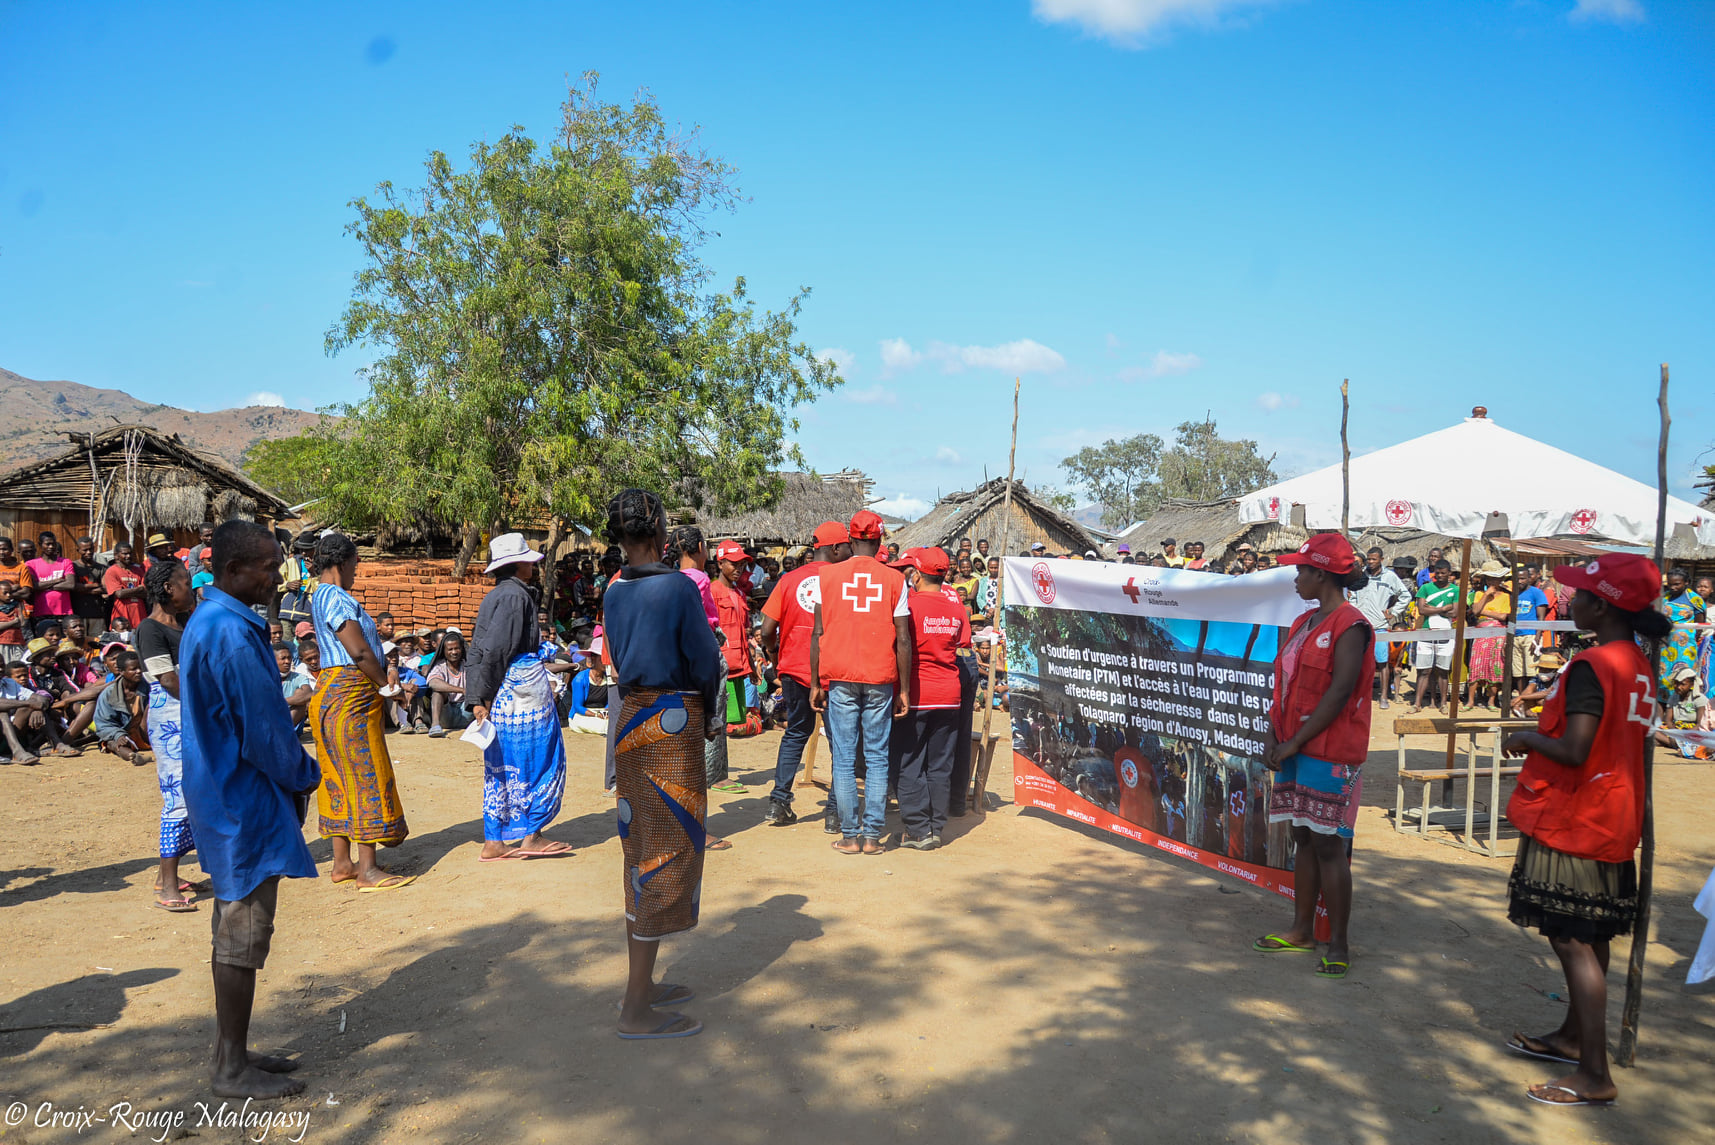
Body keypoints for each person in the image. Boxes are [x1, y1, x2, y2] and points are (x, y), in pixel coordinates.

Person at [1497, 554, 1667, 1107]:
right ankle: (1575, 1037)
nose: (1572, 602)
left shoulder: (1595, 664)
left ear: (1604, 604)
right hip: (1613, 812)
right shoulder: (1639, 662)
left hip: (1577, 815)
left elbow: (1574, 748)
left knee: (1573, 940)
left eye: (1583, 596)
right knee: (1591, 936)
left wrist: (1525, 737)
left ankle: (1595, 1073)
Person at [177, 521, 318, 1099]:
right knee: (243, 930)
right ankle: (230, 1068)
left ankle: (230, 1049)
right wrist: (306, 775)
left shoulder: (214, 622)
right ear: (233, 571)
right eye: (267, 565)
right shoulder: (231, 636)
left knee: (235, 927)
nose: (277, 574)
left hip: (226, 795)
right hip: (242, 801)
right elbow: (264, 734)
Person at [600, 488, 726, 1040]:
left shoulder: (615, 589)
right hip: (671, 721)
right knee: (665, 854)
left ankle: (642, 987)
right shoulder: (676, 587)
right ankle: (634, 1008)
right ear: (658, 530)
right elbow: (704, 661)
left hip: (630, 719)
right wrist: (711, 716)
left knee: (641, 850)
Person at [1252, 533, 1374, 981]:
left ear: (1322, 574)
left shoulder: (1351, 625)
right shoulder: (1304, 622)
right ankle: (1302, 929)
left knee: (1328, 844)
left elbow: (1340, 691)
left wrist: (1296, 741)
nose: (1296, 578)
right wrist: (1274, 733)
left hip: (1329, 750)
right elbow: (1283, 685)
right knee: (1303, 836)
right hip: (1293, 745)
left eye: (1301, 570)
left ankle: (1338, 941)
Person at [307, 533, 413, 889]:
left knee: (338, 773)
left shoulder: (319, 595)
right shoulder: (335, 596)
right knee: (364, 772)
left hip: (331, 693)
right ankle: (367, 869)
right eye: (354, 564)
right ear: (342, 563)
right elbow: (358, 651)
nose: (355, 571)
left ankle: (342, 863)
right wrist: (388, 687)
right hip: (350, 695)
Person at [811, 509, 911, 855]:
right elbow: (903, 638)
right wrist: (905, 689)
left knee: (843, 757)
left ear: (850, 541)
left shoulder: (827, 577)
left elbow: (818, 632)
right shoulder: (895, 580)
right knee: (877, 757)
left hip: (839, 675)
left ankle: (850, 836)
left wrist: (814, 682)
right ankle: (872, 837)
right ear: (880, 540)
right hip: (880, 676)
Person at [466, 532, 571, 862]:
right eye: (528, 561)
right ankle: (531, 835)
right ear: (518, 565)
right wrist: (482, 695)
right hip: (520, 694)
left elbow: (481, 650)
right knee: (535, 759)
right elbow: (498, 650)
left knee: (503, 764)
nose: (533, 566)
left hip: (504, 692)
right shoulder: (516, 598)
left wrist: (478, 696)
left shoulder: (498, 596)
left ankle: (495, 840)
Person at [758, 520, 851, 827]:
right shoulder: (845, 580)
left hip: (794, 669)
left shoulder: (789, 579)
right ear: (836, 548)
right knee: (840, 741)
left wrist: (775, 653)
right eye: (847, 545)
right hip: (834, 671)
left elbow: (767, 629)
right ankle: (835, 814)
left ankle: (779, 802)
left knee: (796, 732)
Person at [892, 548, 970, 849]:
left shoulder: (909, 605)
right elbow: (962, 641)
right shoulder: (955, 606)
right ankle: (936, 828)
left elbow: (899, 644)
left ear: (917, 574)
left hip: (916, 693)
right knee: (940, 764)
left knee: (909, 762)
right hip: (950, 694)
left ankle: (917, 830)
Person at [138, 559, 197, 910]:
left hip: (189, 708)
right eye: (185, 583)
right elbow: (168, 681)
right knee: (177, 796)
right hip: (172, 714)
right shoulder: (150, 630)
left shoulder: (185, 622)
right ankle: (169, 888)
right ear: (167, 590)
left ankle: (166, 876)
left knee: (195, 790)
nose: (190, 589)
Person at [707, 540, 753, 795]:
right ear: (720, 563)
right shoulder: (712, 592)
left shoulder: (738, 593)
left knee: (725, 720)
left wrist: (752, 665)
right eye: (733, 563)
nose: (739, 567)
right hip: (719, 664)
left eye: (742, 563)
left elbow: (743, 633)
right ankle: (715, 775)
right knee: (716, 719)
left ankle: (720, 773)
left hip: (737, 665)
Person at [1348, 547, 1409, 709]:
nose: (1371, 562)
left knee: (1382, 663)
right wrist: (1355, 611)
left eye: (1374, 559)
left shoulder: (1390, 577)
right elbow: (1352, 595)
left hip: (1380, 627)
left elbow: (1405, 596)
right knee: (1358, 663)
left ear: (1381, 559)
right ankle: (1359, 696)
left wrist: (1393, 612)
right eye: (1369, 559)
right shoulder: (1361, 576)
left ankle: (1383, 696)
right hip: (1361, 627)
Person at [1411, 560, 1460, 713]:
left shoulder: (1455, 590)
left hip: (1446, 634)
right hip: (1426, 632)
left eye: (1443, 573)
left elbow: (1455, 613)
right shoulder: (1425, 588)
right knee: (1423, 670)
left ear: (1449, 574)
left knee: (1443, 670)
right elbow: (1421, 610)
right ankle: (1417, 704)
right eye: (1437, 573)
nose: (1439, 576)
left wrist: (1432, 608)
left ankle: (1444, 704)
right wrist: (1444, 608)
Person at [1466, 562, 1513, 709]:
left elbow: (1504, 616)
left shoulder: (1506, 596)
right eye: (1490, 578)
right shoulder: (1480, 594)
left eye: (1496, 578)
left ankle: (1491, 701)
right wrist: (1486, 595)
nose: (1493, 582)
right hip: (1481, 633)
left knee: (1495, 665)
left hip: (1498, 633)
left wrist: (1485, 612)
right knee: (1476, 664)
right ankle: (1471, 701)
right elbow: (1475, 611)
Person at [92, 649, 152, 763]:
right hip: (121, 734)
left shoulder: (150, 688)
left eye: (140, 668)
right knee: (112, 744)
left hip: (146, 733)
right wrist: (119, 735)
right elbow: (103, 724)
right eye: (133, 669)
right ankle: (132, 756)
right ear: (121, 671)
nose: (139, 671)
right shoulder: (109, 694)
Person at [1660, 567, 1706, 694]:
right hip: (1666, 646)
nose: (1673, 587)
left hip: (1685, 648)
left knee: (1683, 678)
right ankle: (1664, 707)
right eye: (1670, 584)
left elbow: (1699, 625)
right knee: (1664, 678)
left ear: (1686, 583)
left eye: (1677, 584)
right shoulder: (1665, 598)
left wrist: (1687, 639)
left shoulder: (1694, 599)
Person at [25, 531, 76, 637]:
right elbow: (33, 586)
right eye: (47, 544)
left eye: (53, 543)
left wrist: (44, 586)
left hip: (63, 611)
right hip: (41, 612)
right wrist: (57, 580)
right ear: (40, 545)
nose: (51, 546)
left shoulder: (65, 562)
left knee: (63, 643)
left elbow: (70, 584)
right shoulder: (31, 564)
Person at [1655, 665, 1712, 758]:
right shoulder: (1673, 697)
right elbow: (1668, 720)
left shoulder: (1699, 699)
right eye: (1676, 683)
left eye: (1683, 684)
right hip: (1676, 729)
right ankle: (1674, 743)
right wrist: (1674, 731)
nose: (1678, 687)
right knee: (1652, 729)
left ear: (1691, 685)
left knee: (1655, 737)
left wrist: (1683, 733)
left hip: (1691, 730)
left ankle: (1672, 742)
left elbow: (1700, 724)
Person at [425, 631, 471, 737]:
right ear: (444, 651)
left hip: (466, 711)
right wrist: (461, 690)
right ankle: (435, 726)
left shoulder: (468, 666)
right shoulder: (440, 666)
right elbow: (433, 683)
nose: (454, 652)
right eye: (450, 649)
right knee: (438, 692)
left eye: (457, 648)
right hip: (445, 713)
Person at [100, 541, 148, 632]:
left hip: (139, 614)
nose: (128, 556)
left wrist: (127, 591)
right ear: (116, 555)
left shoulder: (139, 570)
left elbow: (145, 593)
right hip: (122, 615)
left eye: (130, 553)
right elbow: (119, 594)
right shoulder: (112, 571)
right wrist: (138, 589)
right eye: (125, 554)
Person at [70, 535, 109, 627]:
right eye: (85, 550)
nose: (89, 552)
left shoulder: (101, 568)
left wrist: (83, 589)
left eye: (91, 549)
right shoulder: (73, 566)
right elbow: (74, 586)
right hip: (78, 614)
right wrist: (95, 585)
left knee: (98, 640)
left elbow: (105, 588)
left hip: (97, 613)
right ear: (78, 550)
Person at [0, 578, 26, 666]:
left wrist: (5, 624)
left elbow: (21, 623)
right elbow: (17, 621)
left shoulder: (16, 605)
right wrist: (13, 622)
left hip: (17, 642)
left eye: (10, 593)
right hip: (2, 643)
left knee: (17, 667)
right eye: (5, 593)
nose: (8, 595)